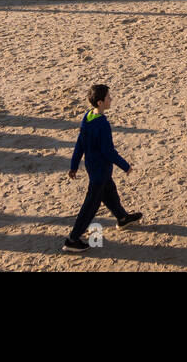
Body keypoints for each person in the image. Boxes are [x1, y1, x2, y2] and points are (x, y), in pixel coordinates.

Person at [62, 84, 143, 253]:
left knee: (110, 192)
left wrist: (74, 165)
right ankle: (73, 239)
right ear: (100, 102)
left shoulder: (88, 117)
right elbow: (108, 151)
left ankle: (122, 218)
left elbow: (80, 144)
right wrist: (125, 165)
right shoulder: (102, 124)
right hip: (100, 171)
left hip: (93, 167)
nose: (111, 99)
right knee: (90, 206)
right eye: (108, 97)